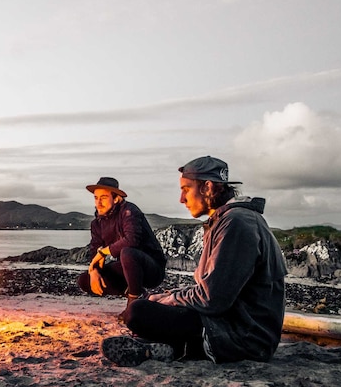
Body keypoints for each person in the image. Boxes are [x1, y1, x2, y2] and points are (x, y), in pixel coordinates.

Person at [102, 156, 286, 367]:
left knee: (138, 312)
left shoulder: (236, 223)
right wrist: (169, 295)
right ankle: (169, 348)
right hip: (231, 324)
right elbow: (213, 288)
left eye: (186, 189)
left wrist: (169, 301)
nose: (182, 199)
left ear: (208, 187)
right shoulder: (228, 220)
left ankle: (172, 345)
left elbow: (212, 298)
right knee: (149, 305)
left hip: (245, 337)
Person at [77, 177, 167, 304]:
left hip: (151, 268)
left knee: (127, 252)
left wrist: (103, 252)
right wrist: (94, 271)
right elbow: (94, 251)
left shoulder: (129, 211)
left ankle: (134, 301)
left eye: (103, 198)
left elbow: (132, 240)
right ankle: (140, 293)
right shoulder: (97, 224)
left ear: (116, 198)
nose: (98, 203)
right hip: (128, 269)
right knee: (84, 280)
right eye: (96, 198)